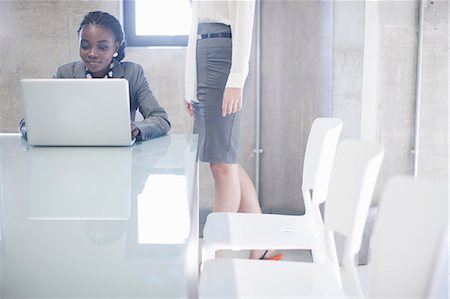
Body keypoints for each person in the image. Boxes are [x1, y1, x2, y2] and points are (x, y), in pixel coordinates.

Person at [184, 1, 282, 260]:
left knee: (222, 165)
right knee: (225, 161)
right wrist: (189, 84)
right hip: (204, 54)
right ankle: (264, 244)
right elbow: (195, 24)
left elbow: (244, 19)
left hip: (223, 56)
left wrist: (236, 77)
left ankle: (219, 255)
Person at [19, 11, 170, 141]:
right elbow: (28, 123)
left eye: (103, 47)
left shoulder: (132, 73)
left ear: (115, 47)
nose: (92, 53)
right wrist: (39, 130)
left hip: (119, 157)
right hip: (73, 154)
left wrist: (136, 128)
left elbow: (160, 119)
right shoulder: (64, 73)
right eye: (85, 45)